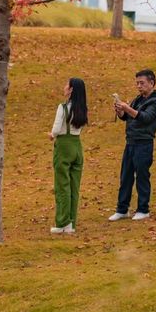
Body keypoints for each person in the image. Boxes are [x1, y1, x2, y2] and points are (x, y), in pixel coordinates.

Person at [109, 68, 156, 222]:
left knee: (142, 176)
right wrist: (121, 112)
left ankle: (143, 209)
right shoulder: (137, 99)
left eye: (142, 83)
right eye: (137, 83)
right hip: (131, 142)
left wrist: (128, 108)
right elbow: (128, 117)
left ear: (151, 83)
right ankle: (122, 209)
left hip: (144, 144)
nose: (139, 86)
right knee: (125, 176)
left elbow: (145, 118)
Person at [49, 77, 88, 235]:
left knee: (62, 185)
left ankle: (62, 222)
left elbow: (56, 129)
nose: (65, 87)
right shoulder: (82, 109)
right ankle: (71, 222)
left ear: (71, 89)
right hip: (77, 146)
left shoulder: (63, 108)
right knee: (74, 186)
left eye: (67, 85)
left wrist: (51, 135)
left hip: (64, 146)